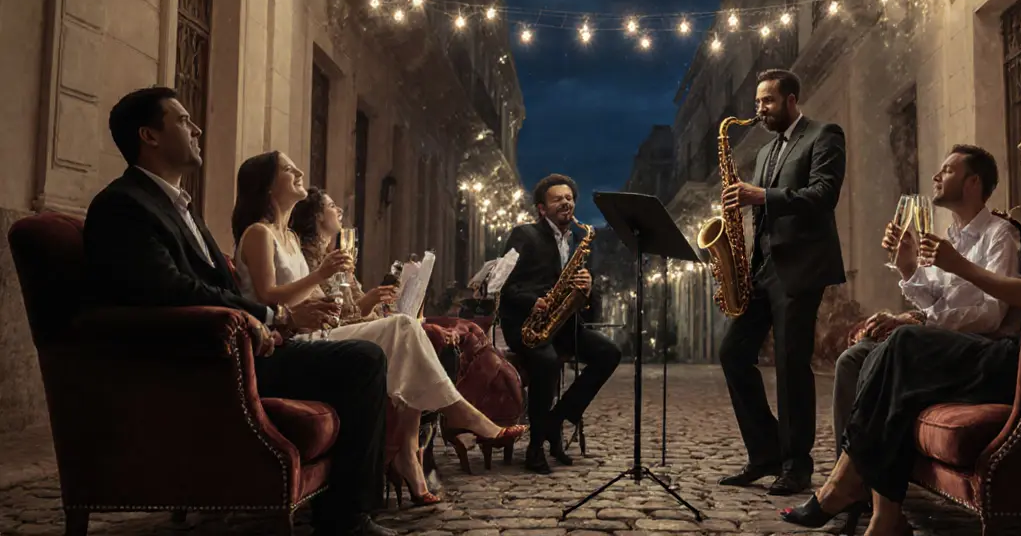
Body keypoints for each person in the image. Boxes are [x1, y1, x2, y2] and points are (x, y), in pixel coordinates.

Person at [782, 102, 1021, 535]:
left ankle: (849, 489)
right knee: (894, 353)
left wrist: (956, 264)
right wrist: (916, 282)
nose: (1020, 142)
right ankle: (880, 513)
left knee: (902, 347)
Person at [83, 87, 395, 536]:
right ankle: (347, 517)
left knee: (359, 357)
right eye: (183, 121)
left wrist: (263, 326)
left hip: (238, 347)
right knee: (363, 361)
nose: (197, 128)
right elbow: (169, 289)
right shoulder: (123, 205)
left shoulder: (178, 205)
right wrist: (271, 319)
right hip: (201, 360)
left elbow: (218, 286)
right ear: (149, 135)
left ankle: (343, 503)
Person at [232, 156, 527, 505]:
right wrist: (322, 276)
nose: (298, 173)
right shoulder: (258, 233)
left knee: (406, 333)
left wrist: (332, 301)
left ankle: (412, 448)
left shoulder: (291, 238)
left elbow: (311, 300)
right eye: (287, 170)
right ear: (268, 185)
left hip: (314, 333)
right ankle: (458, 417)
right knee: (403, 329)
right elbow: (269, 297)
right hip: (288, 342)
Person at [832, 145, 1021, 449]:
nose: (936, 176)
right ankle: (850, 466)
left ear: (973, 182)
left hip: (977, 346)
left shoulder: (1000, 235)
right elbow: (934, 298)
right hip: (940, 337)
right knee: (851, 359)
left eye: (947, 170)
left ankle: (863, 467)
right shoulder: (950, 237)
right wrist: (907, 266)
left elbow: (991, 314)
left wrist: (923, 322)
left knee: (883, 352)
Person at [718, 68, 847, 496]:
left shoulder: (824, 135)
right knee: (733, 352)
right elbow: (763, 214)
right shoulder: (765, 152)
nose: (759, 110)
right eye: (757, 102)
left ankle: (798, 464)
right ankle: (766, 453)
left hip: (801, 268)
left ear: (792, 99)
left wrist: (761, 196)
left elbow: (824, 194)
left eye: (767, 101)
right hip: (764, 270)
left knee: (792, 366)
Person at [499, 174, 622, 473]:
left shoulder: (579, 240)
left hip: (563, 323)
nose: (566, 202)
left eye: (569, 198)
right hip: (529, 325)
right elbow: (503, 285)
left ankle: (556, 420)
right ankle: (535, 448)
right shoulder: (524, 235)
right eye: (558, 199)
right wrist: (534, 301)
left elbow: (580, 291)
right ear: (542, 208)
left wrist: (587, 284)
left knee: (609, 354)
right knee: (547, 362)